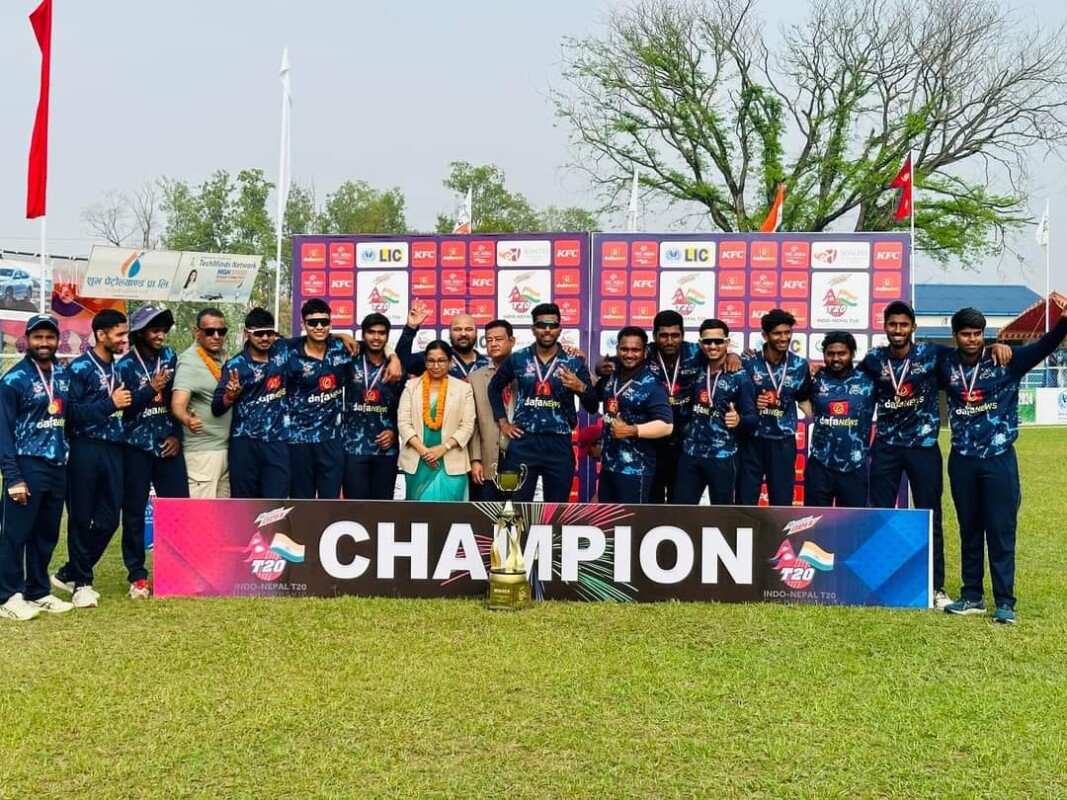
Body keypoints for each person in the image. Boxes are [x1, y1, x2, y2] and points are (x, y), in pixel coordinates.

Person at [860, 300, 1012, 609]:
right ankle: (879, 582)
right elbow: (846, 377)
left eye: (904, 324)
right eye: (893, 324)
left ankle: (935, 586)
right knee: (881, 514)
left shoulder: (933, 355)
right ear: (885, 327)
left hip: (924, 447)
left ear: (913, 327)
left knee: (931, 516)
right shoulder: (874, 360)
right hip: (887, 446)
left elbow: (969, 352)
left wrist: (996, 345)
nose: (898, 330)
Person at [939, 306, 1067, 624]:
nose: (972, 339)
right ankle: (972, 596)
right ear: (955, 336)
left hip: (999, 460)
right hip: (962, 460)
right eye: (965, 334)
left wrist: (1065, 321)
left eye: (978, 334)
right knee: (969, 529)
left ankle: (1005, 602)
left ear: (984, 335)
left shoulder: (1007, 360)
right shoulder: (944, 364)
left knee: (1000, 530)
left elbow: (1046, 344)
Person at [49, 309, 131, 608]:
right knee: (81, 517)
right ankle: (82, 584)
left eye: (125, 334)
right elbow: (71, 414)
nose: (124, 340)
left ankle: (70, 571)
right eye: (119, 334)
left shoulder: (118, 368)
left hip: (114, 448)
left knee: (110, 520)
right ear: (101, 334)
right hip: (84, 448)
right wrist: (110, 404)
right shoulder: (79, 368)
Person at [0, 315, 75, 620]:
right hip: (26, 464)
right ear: (27, 340)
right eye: (38, 337)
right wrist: (13, 477)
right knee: (15, 535)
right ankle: (8, 595)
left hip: (57, 465)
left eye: (49, 337)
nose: (44, 343)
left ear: (58, 340)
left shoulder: (63, 375)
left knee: (46, 534)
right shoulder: (13, 380)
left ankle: (38, 591)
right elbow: (3, 431)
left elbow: (70, 418)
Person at [489, 303, 599, 503]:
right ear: (533, 329)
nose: (547, 330)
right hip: (524, 442)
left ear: (560, 329)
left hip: (559, 443)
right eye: (541, 325)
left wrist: (581, 387)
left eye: (552, 325)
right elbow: (493, 388)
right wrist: (503, 422)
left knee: (556, 510)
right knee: (516, 507)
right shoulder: (518, 358)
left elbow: (592, 406)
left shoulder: (573, 362)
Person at [116, 305, 187, 599]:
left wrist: (177, 435)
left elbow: (177, 401)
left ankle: (178, 571)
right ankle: (137, 576)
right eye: (154, 330)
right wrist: (150, 388)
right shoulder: (124, 366)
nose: (160, 335)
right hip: (135, 448)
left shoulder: (170, 357)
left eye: (163, 329)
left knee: (177, 508)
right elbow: (125, 410)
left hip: (168, 446)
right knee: (134, 513)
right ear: (139, 332)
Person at [595, 309, 702, 503]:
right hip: (651, 445)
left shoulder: (696, 352)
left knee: (680, 503)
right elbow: (615, 361)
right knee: (651, 503)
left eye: (675, 335)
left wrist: (733, 357)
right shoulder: (645, 351)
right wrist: (598, 367)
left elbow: (719, 354)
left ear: (683, 335)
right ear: (655, 336)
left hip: (684, 443)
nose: (669, 341)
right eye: (664, 335)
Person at [674, 319, 757, 505]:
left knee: (722, 514)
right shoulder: (694, 368)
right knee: (681, 511)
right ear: (700, 344)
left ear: (727, 343)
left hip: (723, 455)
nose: (712, 346)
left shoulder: (740, 376)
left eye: (718, 341)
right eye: (707, 341)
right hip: (691, 453)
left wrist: (739, 420)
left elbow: (752, 417)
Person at [211, 308, 290, 499]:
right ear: (247, 333)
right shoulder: (235, 365)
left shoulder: (284, 353)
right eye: (259, 333)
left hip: (277, 442)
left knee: (276, 505)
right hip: (244, 444)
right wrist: (230, 396)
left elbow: (313, 340)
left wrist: (343, 336)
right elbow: (216, 408)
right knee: (245, 505)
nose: (265, 338)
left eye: (269, 333)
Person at [737, 308, 812, 506]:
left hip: (783, 442)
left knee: (781, 501)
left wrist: (824, 421)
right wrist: (752, 403)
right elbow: (734, 397)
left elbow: (803, 399)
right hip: (751, 439)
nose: (784, 338)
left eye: (787, 332)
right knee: (745, 500)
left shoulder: (799, 365)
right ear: (765, 335)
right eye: (777, 333)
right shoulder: (747, 362)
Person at [594, 326, 674, 503]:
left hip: (635, 470)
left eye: (635, 350)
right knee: (606, 518)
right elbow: (594, 399)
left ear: (645, 353)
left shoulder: (652, 385)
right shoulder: (612, 376)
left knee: (631, 520)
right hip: (608, 466)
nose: (629, 354)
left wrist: (631, 430)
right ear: (617, 350)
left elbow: (666, 425)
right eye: (624, 349)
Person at [283, 299, 352, 499]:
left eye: (324, 322)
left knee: (329, 503)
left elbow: (376, 346)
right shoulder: (288, 353)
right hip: (298, 440)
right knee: (301, 502)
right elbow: (260, 342)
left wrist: (393, 357)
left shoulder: (343, 349)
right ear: (303, 324)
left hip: (331, 439)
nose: (319, 327)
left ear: (330, 323)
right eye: (313, 322)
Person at [799, 332, 875, 508]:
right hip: (820, 464)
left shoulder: (868, 381)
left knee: (851, 522)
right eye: (830, 354)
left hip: (854, 465)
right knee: (815, 522)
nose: (835, 358)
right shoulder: (814, 378)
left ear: (852, 354)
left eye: (842, 353)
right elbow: (800, 399)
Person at [397, 340, 476, 501]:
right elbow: (403, 423)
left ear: (450, 362)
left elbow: (467, 426)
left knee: (450, 513)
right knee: (420, 513)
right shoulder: (411, 387)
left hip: (451, 462)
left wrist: (443, 448)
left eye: (441, 361)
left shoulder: (463, 389)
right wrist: (424, 452)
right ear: (425, 362)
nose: (436, 366)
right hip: (418, 460)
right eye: (431, 361)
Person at [172, 308, 232, 498]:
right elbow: (177, 404)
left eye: (221, 331)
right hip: (202, 454)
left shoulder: (225, 356)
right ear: (197, 332)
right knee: (202, 515)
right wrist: (187, 420)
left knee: (224, 515)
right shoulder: (189, 361)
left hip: (227, 450)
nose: (216, 336)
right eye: (210, 331)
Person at [343, 313, 403, 500]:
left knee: (382, 508)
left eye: (381, 333)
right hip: (354, 447)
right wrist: (342, 335)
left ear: (387, 336)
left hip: (386, 449)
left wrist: (395, 431)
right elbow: (320, 338)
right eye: (371, 332)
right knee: (356, 507)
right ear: (363, 334)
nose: (376, 337)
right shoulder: (350, 359)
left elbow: (405, 407)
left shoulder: (396, 367)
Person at [468, 319, 517, 501]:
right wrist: (475, 459)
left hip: (519, 456)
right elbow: (472, 424)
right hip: (488, 460)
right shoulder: (475, 378)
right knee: (487, 512)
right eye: (489, 340)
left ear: (511, 341)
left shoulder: (525, 374)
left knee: (514, 510)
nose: (493, 344)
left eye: (499, 339)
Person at [396, 303, 489, 380]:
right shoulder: (434, 358)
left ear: (476, 333)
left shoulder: (486, 365)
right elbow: (401, 364)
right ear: (450, 332)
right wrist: (410, 329)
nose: (463, 334)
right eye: (457, 329)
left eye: (469, 329)